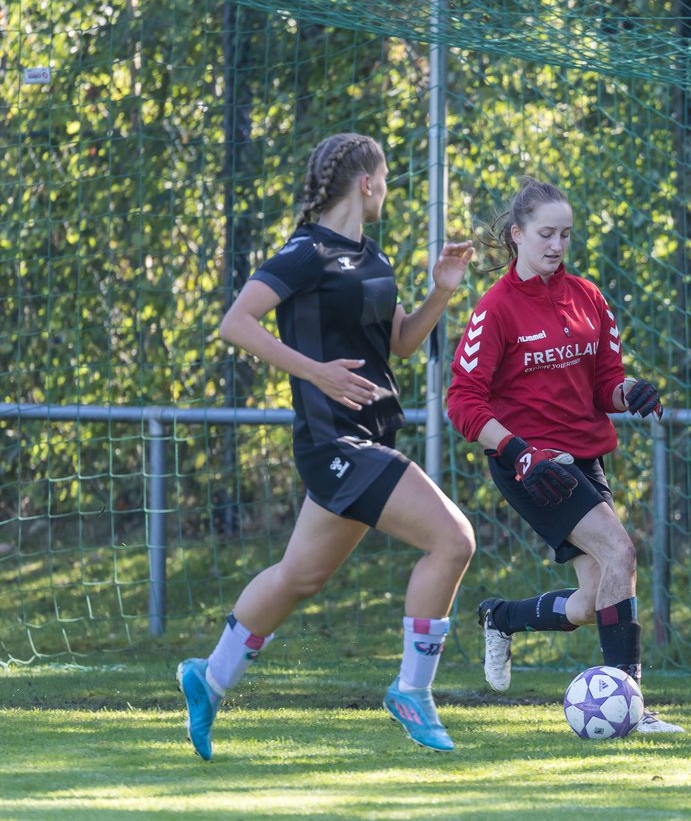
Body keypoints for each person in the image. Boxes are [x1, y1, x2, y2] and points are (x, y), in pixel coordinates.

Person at [178, 133, 476, 758]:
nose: (388, 189)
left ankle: (209, 679)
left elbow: (400, 345)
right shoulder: (305, 251)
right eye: (386, 178)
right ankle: (411, 692)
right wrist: (314, 372)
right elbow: (236, 323)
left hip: (369, 434)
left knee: (299, 576)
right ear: (366, 183)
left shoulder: (375, 256)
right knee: (453, 540)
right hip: (332, 440)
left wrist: (443, 289)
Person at [446, 176, 684, 734]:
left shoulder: (587, 297)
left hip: (583, 458)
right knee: (621, 553)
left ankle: (502, 617)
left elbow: (606, 383)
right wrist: (518, 451)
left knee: (591, 599)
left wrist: (631, 393)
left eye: (565, 235)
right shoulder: (497, 309)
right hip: (530, 464)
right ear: (517, 235)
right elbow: (462, 401)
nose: (556, 245)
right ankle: (631, 706)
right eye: (546, 234)